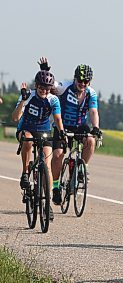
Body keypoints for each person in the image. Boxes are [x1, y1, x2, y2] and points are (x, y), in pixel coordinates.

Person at [37, 57, 101, 205]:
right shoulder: (65, 86)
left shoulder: (91, 93)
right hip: (62, 126)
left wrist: (96, 127)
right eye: (80, 81)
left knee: (91, 140)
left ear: (89, 82)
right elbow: (48, 84)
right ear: (75, 79)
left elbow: (93, 112)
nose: (82, 84)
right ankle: (56, 187)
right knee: (58, 155)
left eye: (86, 82)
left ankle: (81, 169)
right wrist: (45, 70)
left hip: (79, 126)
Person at [11, 70, 65, 220]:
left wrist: (62, 133)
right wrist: (22, 100)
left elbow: (58, 119)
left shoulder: (53, 99)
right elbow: (15, 118)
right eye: (41, 87)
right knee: (27, 141)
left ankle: (46, 204)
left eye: (47, 88)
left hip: (43, 131)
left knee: (46, 165)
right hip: (26, 129)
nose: (44, 91)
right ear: (36, 85)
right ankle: (25, 173)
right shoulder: (28, 95)